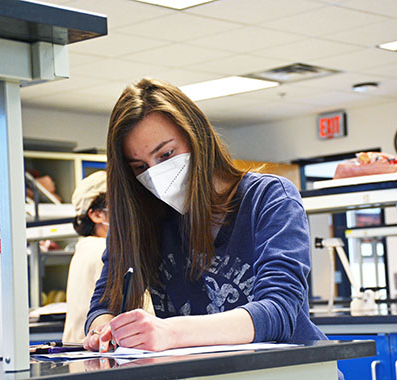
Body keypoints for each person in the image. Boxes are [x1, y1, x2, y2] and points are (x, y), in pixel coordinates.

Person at [83, 78, 329, 354]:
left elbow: (279, 310)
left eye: (166, 154)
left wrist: (170, 332)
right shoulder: (143, 217)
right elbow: (105, 304)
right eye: (140, 166)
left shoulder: (269, 197)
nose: (154, 174)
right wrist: (102, 331)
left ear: (197, 137)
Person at [63, 171, 154, 343]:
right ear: (96, 215)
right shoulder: (102, 248)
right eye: (120, 206)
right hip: (99, 350)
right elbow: (142, 313)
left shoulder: (84, 247)